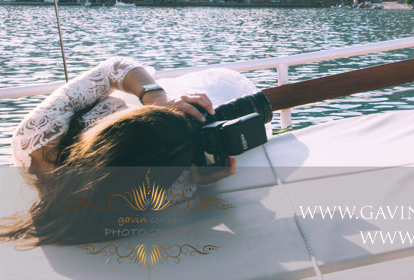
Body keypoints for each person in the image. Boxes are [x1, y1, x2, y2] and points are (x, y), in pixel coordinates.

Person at [2, 57, 243, 246]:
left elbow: (112, 69)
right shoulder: (163, 193)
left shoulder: (38, 135)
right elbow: (190, 182)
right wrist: (201, 181)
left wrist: (157, 99)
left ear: (115, 124)